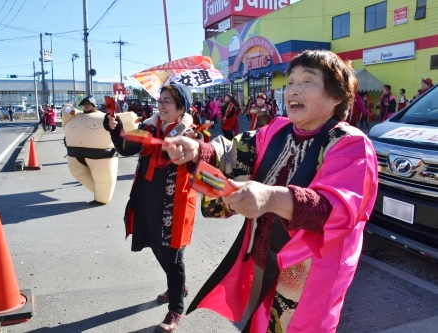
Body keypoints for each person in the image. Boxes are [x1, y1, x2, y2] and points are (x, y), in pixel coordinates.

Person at [162, 50, 378, 333]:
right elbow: (234, 151)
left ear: (337, 96)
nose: (293, 91)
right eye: (290, 82)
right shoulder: (277, 129)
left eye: (308, 81)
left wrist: (272, 197)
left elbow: (335, 209)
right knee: (256, 322)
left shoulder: (349, 144)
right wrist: (197, 151)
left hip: (309, 275)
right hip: (262, 258)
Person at [104, 84, 197, 333]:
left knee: (173, 255)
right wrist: (116, 130)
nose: (162, 105)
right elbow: (127, 147)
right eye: (161, 100)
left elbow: (198, 165)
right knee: (156, 245)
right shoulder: (148, 127)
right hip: (147, 198)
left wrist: (183, 149)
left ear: (181, 108)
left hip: (174, 204)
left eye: (168, 101)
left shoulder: (191, 133)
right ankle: (178, 285)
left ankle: (176, 307)